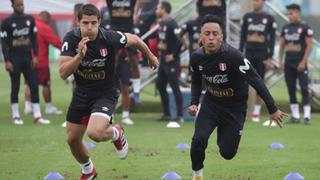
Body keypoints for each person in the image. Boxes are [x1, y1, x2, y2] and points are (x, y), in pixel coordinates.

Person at [59, 4, 158, 179]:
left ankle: (116, 133)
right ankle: (88, 170)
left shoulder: (109, 37)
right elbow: (63, 73)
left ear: (99, 22)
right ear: (78, 22)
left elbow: (134, 39)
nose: (89, 28)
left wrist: (150, 56)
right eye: (85, 23)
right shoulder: (71, 39)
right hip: (82, 93)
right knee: (72, 140)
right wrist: (79, 57)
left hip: (105, 93)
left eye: (93, 23)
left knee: (94, 133)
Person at [188, 15, 286, 180]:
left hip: (235, 108)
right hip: (211, 105)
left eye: (214, 33)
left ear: (221, 36)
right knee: (198, 140)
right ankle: (197, 175)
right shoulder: (196, 57)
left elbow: (256, 80)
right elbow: (197, 82)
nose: (211, 37)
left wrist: (272, 108)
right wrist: (193, 102)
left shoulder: (233, 57)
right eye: (207, 33)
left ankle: (224, 132)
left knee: (227, 153)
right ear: (201, 36)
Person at [0, 0, 50, 125]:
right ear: (12, 5)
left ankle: (37, 116)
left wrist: (36, 56)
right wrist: (7, 61)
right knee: (15, 86)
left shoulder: (29, 19)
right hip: (14, 59)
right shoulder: (7, 22)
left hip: (28, 59)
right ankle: (16, 115)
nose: (21, 6)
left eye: (22, 4)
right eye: (18, 5)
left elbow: (34, 39)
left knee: (33, 85)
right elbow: (4, 43)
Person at [239, 0, 277, 124]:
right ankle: (241, 111)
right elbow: (242, 36)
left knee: (259, 82)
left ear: (263, 2)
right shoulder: (247, 17)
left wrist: (270, 57)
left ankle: (256, 112)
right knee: (243, 82)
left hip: (262, 54)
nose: (255, 3)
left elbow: (272, 39)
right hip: (248, 53)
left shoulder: (269, 18)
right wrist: (239, 53)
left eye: (257, 0)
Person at [106, 0, 142, 125]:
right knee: (111, 88)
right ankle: (109, 114)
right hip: (114, 32)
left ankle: (136, 90)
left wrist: (137, 12)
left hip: (128, 31)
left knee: (133, 59)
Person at [279, 4, 313, 125]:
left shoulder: (305, 27)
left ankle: (307, 116)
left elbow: (309, 45)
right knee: (291, 89)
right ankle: (295, 116)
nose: (289, 16)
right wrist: (280, 61)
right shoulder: (286, 28)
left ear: (298, 13)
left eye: (291, 13)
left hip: (301, 64)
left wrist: (303, 61)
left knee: (304, 89)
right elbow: (282, 45)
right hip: (288, 63)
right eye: (288, 13)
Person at [24, 11, 63, 115]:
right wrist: (67, 49)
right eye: (48, 20)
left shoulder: (29, 26)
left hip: (27, 60)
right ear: (46, 17)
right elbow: (55, 42)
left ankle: (28, 107)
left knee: (28, 84)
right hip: (41, 62)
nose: (49, 22)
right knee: (46, 85)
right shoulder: (43, 27)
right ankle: (48, 108)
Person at [155, 1, 183, 127]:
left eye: (158, 8)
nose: (156, 10)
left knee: (175, 87)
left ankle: (180, 115)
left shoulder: (172, 23)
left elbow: (181, 40)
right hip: (162, 61)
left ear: (164, 9)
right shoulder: (161, 23)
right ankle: (166, 114)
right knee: (160, 85)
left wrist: (174, 55)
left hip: (172, 62)